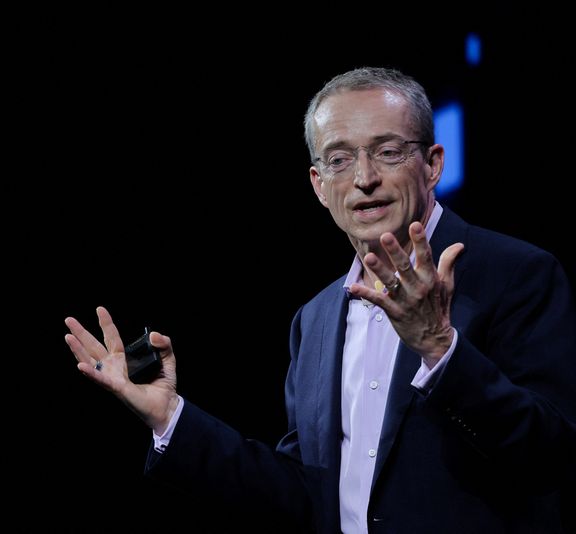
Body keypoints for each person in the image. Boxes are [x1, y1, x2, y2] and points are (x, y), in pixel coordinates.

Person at [64, 67, 576, 533]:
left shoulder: (515, 274)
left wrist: (441, 351)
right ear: (318, 184)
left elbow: (551, 454)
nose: (364, 177)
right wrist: (170, 417)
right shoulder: (315, 319)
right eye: (339, 159)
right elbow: (305, 495)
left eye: (388, 151)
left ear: (433, 164)